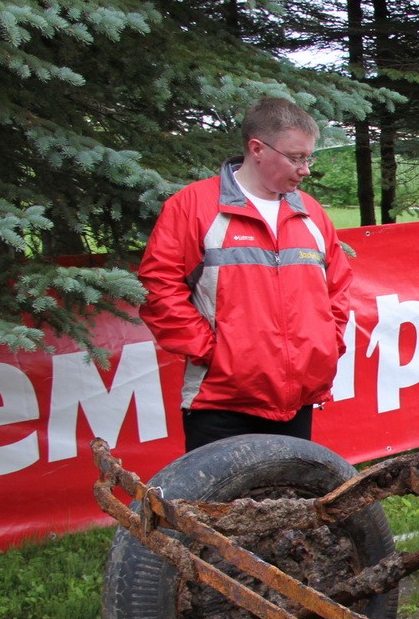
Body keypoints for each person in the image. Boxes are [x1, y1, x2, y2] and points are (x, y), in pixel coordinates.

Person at [138, 97, 354, 451]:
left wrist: (326, 345)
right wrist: (213, 352)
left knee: (291, 504)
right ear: (257, 148)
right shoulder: (193, 207)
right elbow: (159, 288)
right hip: (222, 402)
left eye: (308, 157)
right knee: (217, 506)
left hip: (295, 401)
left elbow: (338, 287)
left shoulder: (310, 212)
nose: (306, 169)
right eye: (296, 158)